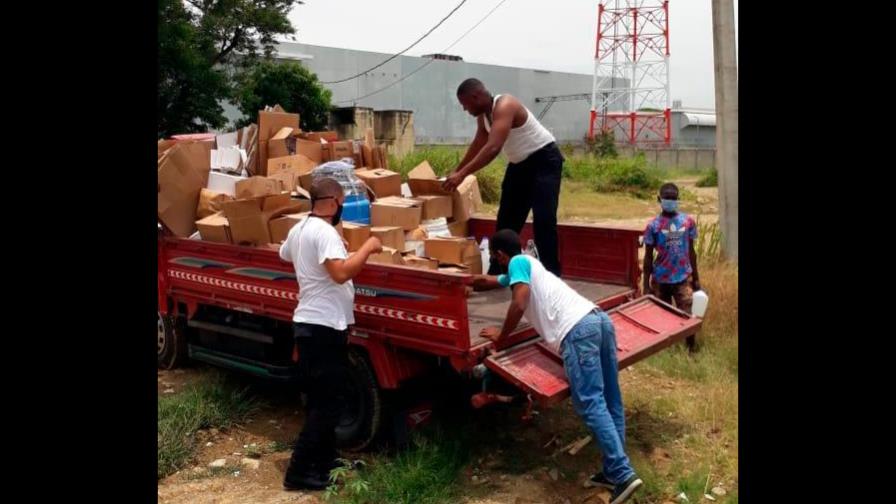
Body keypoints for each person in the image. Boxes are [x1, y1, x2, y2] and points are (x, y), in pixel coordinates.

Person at [472, 229, 642, 504]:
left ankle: (623, 474)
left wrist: (502, 337)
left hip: (577, 332)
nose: (497, 262)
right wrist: (464, 281)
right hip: (598, 320)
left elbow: (519, 301)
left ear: (501, 255)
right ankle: (614, 472)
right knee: (610, 400)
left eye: (494, 257)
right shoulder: (528, 264)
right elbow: (490, 280)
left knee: (590, 402)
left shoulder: (517, 263)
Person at [278, 177, 382, 490]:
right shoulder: (324, 232)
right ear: (335, 201)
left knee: (321, 400)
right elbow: (340, 274)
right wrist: (368, 247)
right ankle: (297, 473)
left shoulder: (299, 229)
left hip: (309, 326)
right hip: (324, 328)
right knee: (327, 406)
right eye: (343, 203)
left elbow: (285, 254)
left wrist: (331, 250)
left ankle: (324, 462)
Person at [443, 78, 564, 277]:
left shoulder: (505, 105)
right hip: (519, 165)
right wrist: (457, 171)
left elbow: (492, 148)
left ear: (476, 96)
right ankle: (499, 271)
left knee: (544, 221)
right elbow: (478, 145)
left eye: (466, 104)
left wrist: (463, 175)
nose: (465, 110)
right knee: (506, 222)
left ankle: (552, 276)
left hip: (544, 160)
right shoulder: (483, 117)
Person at [642, 182, 701, 351]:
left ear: (678, 199)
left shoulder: (687, 222)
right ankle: (668, 350)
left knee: (688, 315)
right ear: (659, 199)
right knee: (664, 317)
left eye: (673, 198)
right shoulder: (653, 226)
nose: (670, 201)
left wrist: (696, 279)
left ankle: (691, 349)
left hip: (683, 277)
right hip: (661, 278)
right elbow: (647, 257)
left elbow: (691, 252)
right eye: (667, 198)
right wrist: (646, 285)